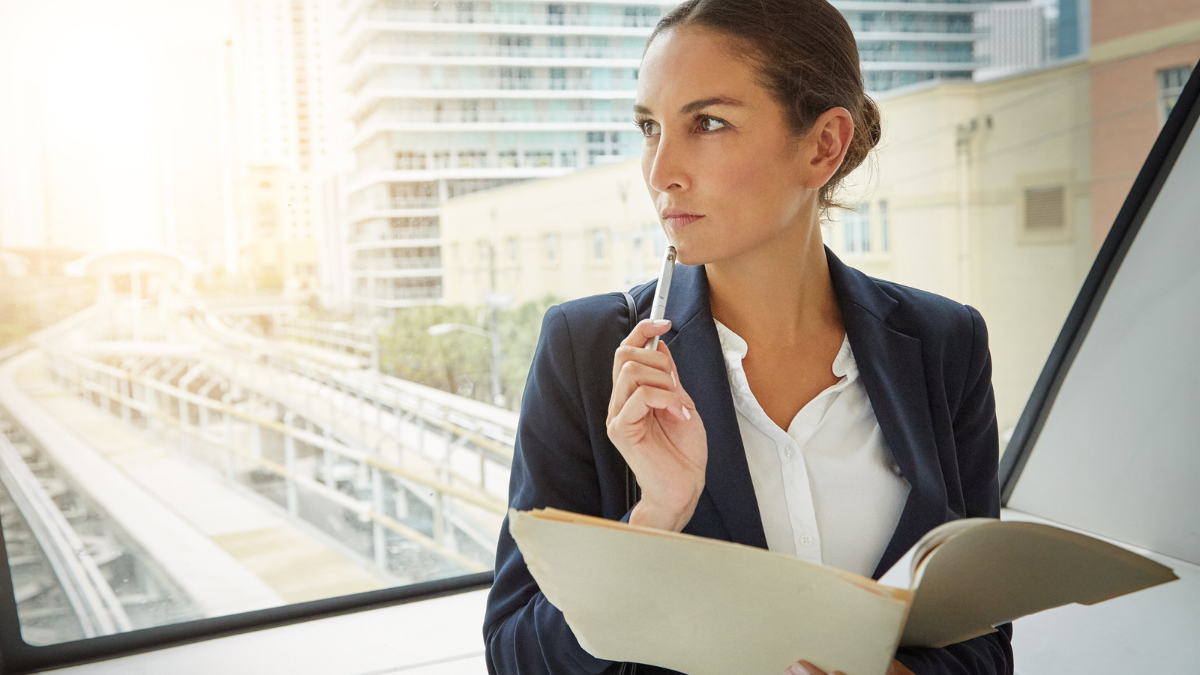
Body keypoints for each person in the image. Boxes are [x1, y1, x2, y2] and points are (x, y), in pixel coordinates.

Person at [484, 1, 1014, 673]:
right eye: (649, 127)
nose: (660, 170)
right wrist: (653, 520)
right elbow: (514, 657)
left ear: (824, 145)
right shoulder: (586, 350)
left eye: (708, 123)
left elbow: (983, 642)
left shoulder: (946, 342)